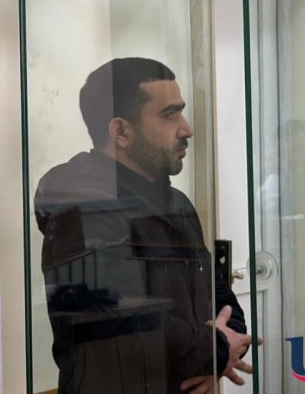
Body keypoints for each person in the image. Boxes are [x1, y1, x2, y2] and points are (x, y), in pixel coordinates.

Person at [34, 58, 253, 394]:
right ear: (121, 131)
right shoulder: (82, 204)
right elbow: (116, 320)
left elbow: (216, 289)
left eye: (181, 112)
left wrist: (219, 352)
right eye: (169, 115)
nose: (186, 129)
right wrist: (216, 350)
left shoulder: (176, 203)